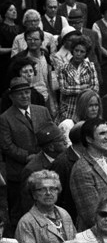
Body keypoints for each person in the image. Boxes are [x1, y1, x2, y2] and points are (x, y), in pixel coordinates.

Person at [0, 77, 53, 228]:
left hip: (45, 168)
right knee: (20, 210)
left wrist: (45, 155)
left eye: (27, 92)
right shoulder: (5, 118)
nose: (24, 96)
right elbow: (7, 146)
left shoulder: (42, 111)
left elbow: (52, 132)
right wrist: (28, 157)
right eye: (20, 94)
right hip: (19, 172)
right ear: (11, 97)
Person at [15, 169, 77, 242]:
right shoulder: (26, 223)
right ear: (34, 194)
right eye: (42, 189)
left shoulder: (64, 213)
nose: (48, 193)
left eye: (52, 188)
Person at [57, 35, 99, 122]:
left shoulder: (90, 66)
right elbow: (64, 89)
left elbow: (95, 88)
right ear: (72, 50)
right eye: (76, 50)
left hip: (85, 109)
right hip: (68, 109)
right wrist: (83, 88)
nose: (78, 54)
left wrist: (73, 89)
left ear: (86, 53)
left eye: (82, 52)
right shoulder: (63, 67)